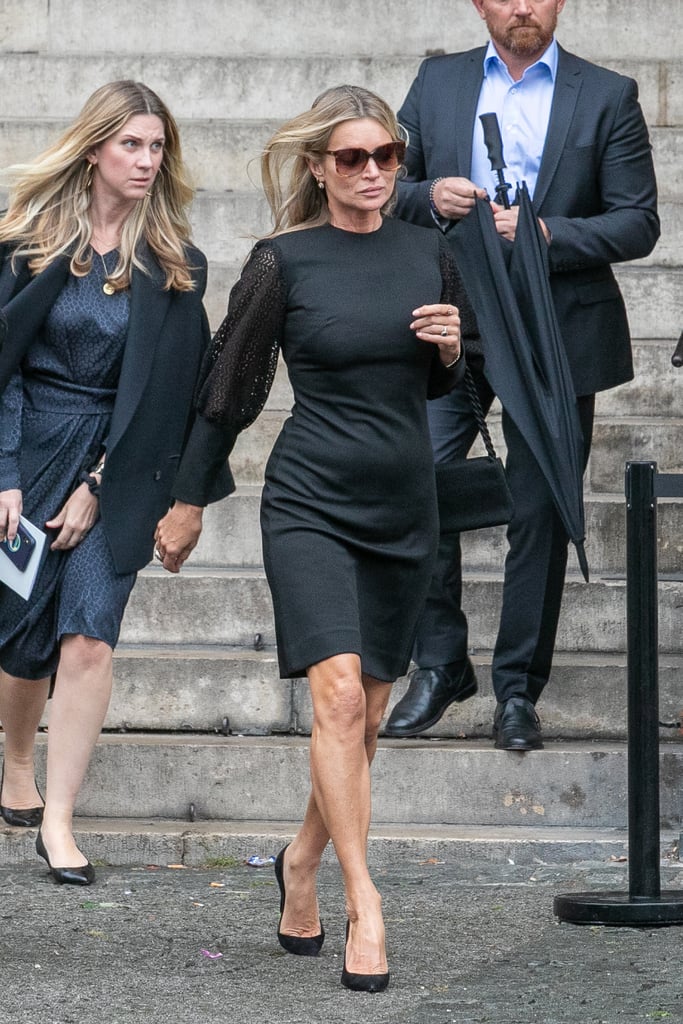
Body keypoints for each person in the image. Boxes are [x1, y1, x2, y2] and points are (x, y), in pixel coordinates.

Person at [154, 84, 474, 991]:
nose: (372, 173)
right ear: (317, 167)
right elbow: (229, 390)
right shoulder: (282, 260)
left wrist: (453, 351)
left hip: (404, 505)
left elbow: (451, 386)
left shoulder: (430, 252)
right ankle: (365, 903)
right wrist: (187, 500)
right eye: (352, 159)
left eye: (386, 158)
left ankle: (301, 856)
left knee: (367, 713)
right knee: (336, 700)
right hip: (310, 504)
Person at [384, 0, 660, 749]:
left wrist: (546, 232)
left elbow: (637, 221)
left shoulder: (606, 94)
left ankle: (516, 691)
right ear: (479, 4)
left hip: (556, 324)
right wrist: (426, 197)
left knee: (539, 509)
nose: (521, 7)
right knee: (422, 485)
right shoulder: (436, 82)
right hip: (453, 317)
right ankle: (439, 664)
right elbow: (383, 186)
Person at [0, 80, 231, 885]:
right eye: (130, 143)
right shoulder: (29, 243)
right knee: (23, 642)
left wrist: (105, 481)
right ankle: (17, 763)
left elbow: (178, 395)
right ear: (94, 147)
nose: (145, 159)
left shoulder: (175, 264)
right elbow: (3, 367)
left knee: (90, 635)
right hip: (28, 453)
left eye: (156, 145)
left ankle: (58, 824)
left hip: (122, 466)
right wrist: (5, 474)